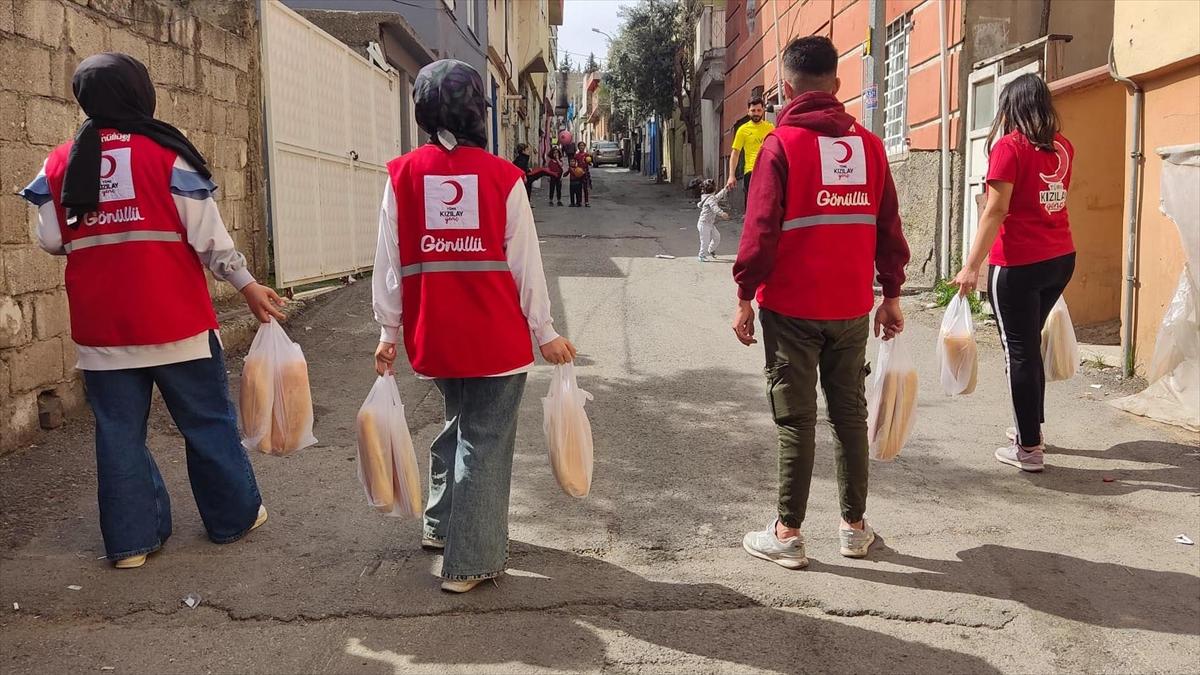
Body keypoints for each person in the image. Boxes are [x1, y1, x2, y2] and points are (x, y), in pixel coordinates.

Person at [18, 53, 283, 569]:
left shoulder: (60, 162)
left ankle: (131, 545)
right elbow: (210, 240)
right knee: (206, 422)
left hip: (102, 332)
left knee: (119, 435)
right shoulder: (166, 155)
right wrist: (247, 286)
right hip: (176, 323)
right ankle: (232, 519)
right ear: (139, 93)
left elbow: (51, 239)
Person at [372, 59, 577, 594]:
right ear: (474, 113)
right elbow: (525, 263)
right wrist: (546, 330)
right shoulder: (503, 177)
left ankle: (441, 526)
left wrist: (387, 333)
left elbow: (389, 263)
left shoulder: (401, 175)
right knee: (483, 441)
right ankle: (472, 561)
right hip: (494, 340)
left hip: (434, 337)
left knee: (457, 424)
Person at [731, 36, 909, 569]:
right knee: (849, 415)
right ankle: (854, 528)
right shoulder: (871, 147)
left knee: (796, 419)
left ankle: (787, 532)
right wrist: (892, 294)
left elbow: (759, 232)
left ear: (786, 89)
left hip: (790, 308)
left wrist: (744, 296)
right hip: (852, 308)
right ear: (836, 85)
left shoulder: (780, 146)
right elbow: (889, 228)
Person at [953, 73, 1075, 474]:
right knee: (1028, 345)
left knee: (1019, 350)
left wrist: (972, 266)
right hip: (1060, 260)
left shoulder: (1009, 148)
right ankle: (1030, 427)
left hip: (1018, 265)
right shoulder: (1063, 147)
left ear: (1012, 107)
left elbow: (995, 209)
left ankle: (1028, 447)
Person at [726, 96, 775, 207]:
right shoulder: (743, 130)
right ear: (748, 111)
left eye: (758, 110)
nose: (756, 113)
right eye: (753, 110)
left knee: (768, 205)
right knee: (752, 206)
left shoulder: (771, 128)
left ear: (763, 110)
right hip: (751, 172)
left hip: (768, 171)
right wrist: (731, 175)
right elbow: (735, 153)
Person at [696, 178, 730, 262]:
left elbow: (717, 197)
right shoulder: (710, 199)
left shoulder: (709, 197)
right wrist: (722, 213)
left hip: (709, 224)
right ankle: (701, 255)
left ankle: (710, 250)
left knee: (717, 237)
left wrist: (725, 189)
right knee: (705, 241)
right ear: (714, 189)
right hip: (704, 224)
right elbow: (714, 208)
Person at [574, 141, 592, 207]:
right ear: (578, 147)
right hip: (578, 173)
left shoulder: (587, 155)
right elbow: (574, 164)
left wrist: (589, 161)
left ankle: (586, 202)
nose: (581, 147)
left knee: (585, 188)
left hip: (585, 173)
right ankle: (579, 202)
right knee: (578, 188)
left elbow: (589, 163)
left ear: (584, 147)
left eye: (583, 145)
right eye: (580, 146)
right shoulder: (576, 155)